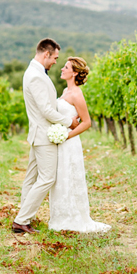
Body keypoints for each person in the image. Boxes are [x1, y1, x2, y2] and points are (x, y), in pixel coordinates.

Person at [12, 38, 79, 234]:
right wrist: (69, 122)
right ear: (46, 54)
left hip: (38, 134)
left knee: (31, 178)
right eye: (55, 57)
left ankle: (26, 216)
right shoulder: (35, 76)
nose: (56, 62)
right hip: (44, 135)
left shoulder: (35, 72)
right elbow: (46, 111)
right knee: (47, 178)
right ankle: (21, 220)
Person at [48, 56, 111, 233]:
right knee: (61, 178)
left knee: (69, 177)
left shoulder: (76, 93)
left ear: (74, 73)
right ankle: (60, 217)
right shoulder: (65, 92)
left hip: (69, 142)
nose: (62, 69)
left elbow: (87, 122)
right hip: (62, 140)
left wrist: (66, 136)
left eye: (66, 67)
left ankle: (73, 218)